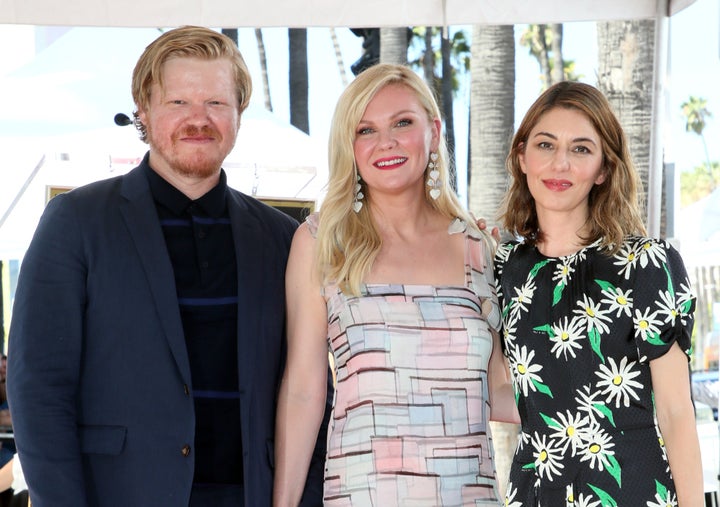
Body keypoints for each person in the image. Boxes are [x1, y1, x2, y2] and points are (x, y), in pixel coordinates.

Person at [7, 26, 328, 507]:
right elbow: (39, 389)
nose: (199, 119)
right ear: (143, 109)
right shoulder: (75, 222)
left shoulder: (284, 238)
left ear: (239, 112)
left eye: (217, 103)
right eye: (179, 103)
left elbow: (308, 386)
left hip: (254, 495)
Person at [273, 63, 518, 507]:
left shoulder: (478, 248)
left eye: (402, 122)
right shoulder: (321, 242)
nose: (385, 142)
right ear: (349, 146)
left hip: (470, 495)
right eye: (365, 130)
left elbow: (499, 389)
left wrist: (604, 398)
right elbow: (304, 391)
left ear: (434, 131)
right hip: (363, 493)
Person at [494, 81, 703, 506]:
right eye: (546, 145)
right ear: (522, 157)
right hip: (537, 492)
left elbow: (677, 411)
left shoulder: (647, 265)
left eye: (581, 149)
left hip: (632, 491)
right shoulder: (501, 269)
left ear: (604, 169)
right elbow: (508, 395)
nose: (560, 164)